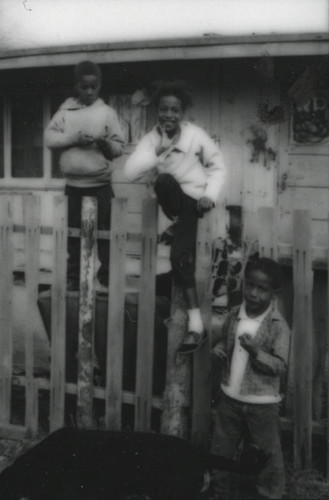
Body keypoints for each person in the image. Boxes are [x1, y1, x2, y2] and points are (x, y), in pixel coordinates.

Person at [124, 81, 226, 354]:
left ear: (182, 113)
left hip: (194, 202)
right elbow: (129, 172)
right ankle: (195, 325)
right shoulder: (151, 139)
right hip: (171, 205)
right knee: (165, 181)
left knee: (179, 258)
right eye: (164, 109)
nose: (169, 115)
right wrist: (157, 150)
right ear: (157, 110)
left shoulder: (195, 135)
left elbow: (218, 167)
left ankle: (196, 326)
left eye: (175, 110)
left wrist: (210, 195)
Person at [211, 257, 291, 499]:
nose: (254, 293)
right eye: (250, 286)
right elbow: (224, 341)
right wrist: (217, 349)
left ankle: (270, 494)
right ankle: (219, 492)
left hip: (263, 405)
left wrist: (256, 352)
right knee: (220, 451)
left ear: (273, 293)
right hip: (230, 399)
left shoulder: (278, 326)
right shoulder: (235, 315)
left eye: (262, 289)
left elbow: (280, 366)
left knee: (268, 456)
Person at [45, 60, 125, 289]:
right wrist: (74, 138)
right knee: (73, 235)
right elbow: (49, 138)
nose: (89, 91)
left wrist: (104, 143)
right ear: (76, 86)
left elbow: (119, 148)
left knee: (104, 234)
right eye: (84, 87)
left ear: (100, 85)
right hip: (73, 186)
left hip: (100, 185)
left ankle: (107, 278)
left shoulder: (107, 113)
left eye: (93, 86)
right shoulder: (65, 111)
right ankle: (73, 278)